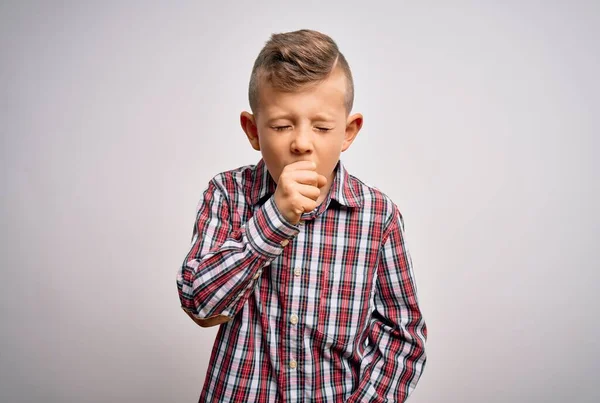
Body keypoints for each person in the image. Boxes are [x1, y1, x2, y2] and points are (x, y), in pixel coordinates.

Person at [177, 29, 427, 402]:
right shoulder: (227, 193)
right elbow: (201, 304)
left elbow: (402, 337)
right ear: (252, 131)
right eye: (281, 126)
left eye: (322, 127)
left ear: (348, 131)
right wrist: (275, 217)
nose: (302, 143)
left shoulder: (378, 216)